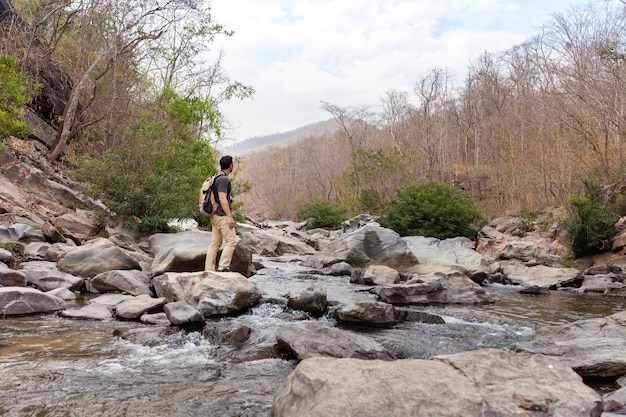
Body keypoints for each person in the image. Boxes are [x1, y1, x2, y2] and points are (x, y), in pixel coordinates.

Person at [205, 155, 237, 272]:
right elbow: (222, 198)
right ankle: (223, 267)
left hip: (214, 215)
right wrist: (229, 216)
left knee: (215, 243)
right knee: (232, 241)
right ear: (230, 165)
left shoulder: (216, 177)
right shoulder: (224, 180)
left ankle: (208, 269)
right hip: (221, 215)